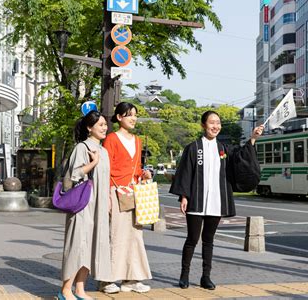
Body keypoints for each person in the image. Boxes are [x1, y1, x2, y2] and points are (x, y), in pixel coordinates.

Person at [170, 110, 263, 290]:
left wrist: (252, 139)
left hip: (216, 200)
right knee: (192, 238)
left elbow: (242, 156)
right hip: (196, 200)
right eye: (212, 122)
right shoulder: (194, 147)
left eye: (218, 123)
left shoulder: (224, 149)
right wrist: (184, 196)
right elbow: (186, 172)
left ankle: (206, 277)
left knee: (209, 240)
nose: (216, 126)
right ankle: (184, 275)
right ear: (203, 125)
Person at [59, 111, 112, 300]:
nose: (105, 128)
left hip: (99, 206)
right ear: (89, 128)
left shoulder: (104, 150)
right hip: (83, 205)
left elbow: (106, 180)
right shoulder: (82, 148)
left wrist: (108, 202)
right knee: (77, 246)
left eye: (105, 124)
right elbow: (74, 175)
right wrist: (94, 162)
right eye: (100, 125)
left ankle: (80, 289)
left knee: (90, 246)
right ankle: (65, 290)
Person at [101, 102, 153, 294]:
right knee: (115, 236)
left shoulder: (137, 140)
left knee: (135, 236)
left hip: (134, 192)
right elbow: (105, 169)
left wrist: (143, 174)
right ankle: (106, 279)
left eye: (135, 115)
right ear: (119, 117)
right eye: (129, 114)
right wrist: (106, 195)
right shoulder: (111, 139)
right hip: (115, 192)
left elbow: (135, 168)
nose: (133, 118)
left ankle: (131, 279)